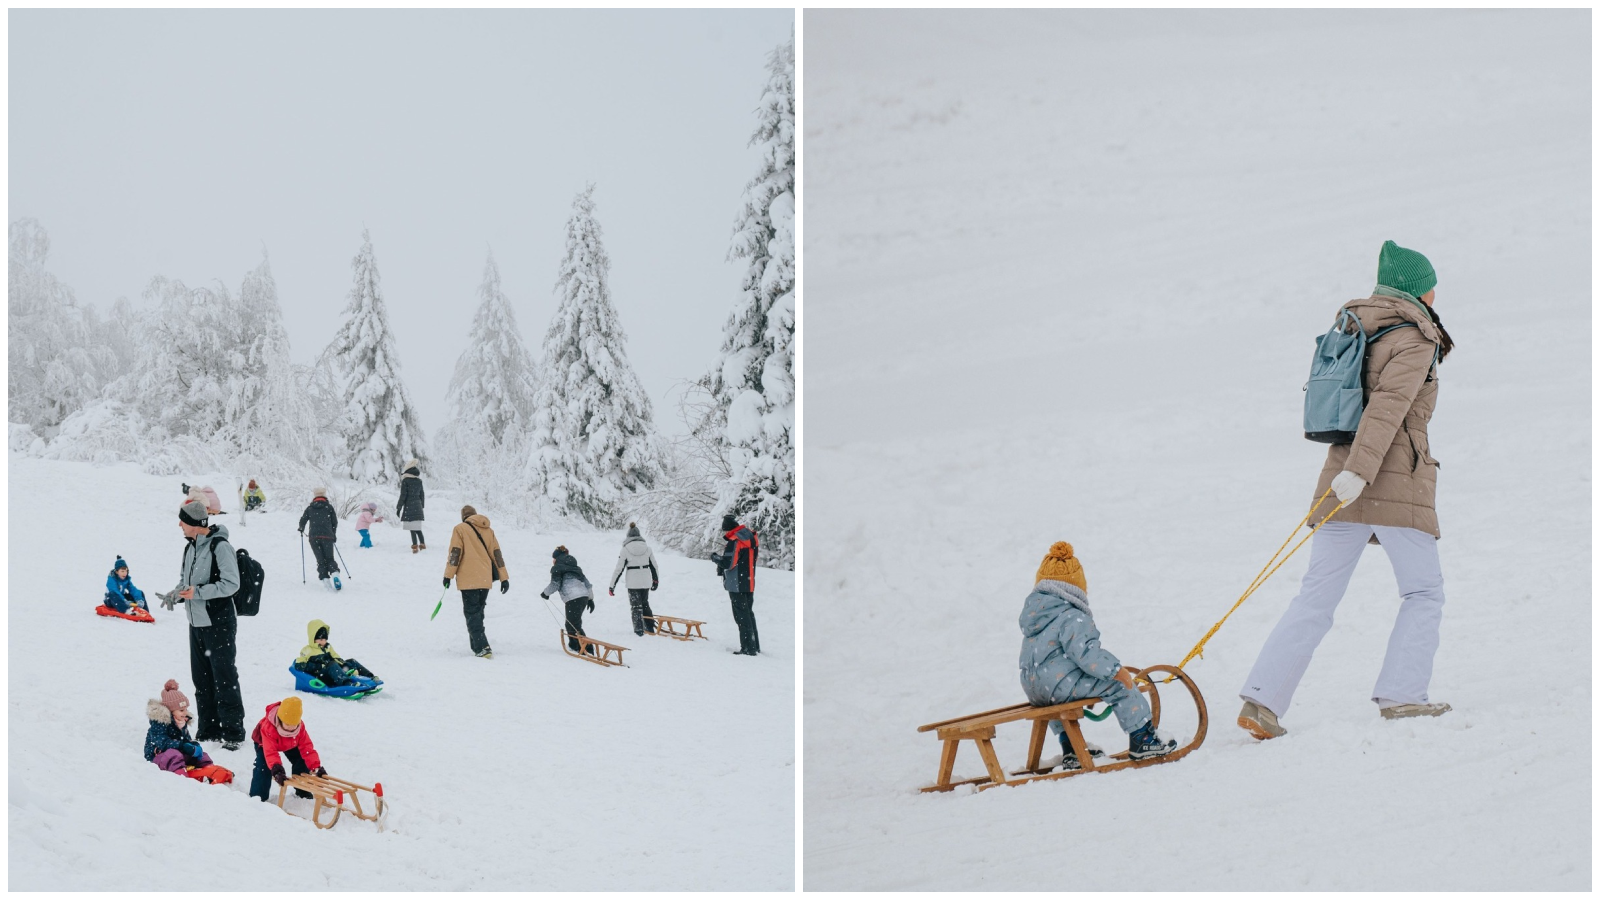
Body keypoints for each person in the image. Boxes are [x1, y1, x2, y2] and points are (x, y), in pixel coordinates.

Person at [1238, 241, 1455, 740]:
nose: (1435, 292)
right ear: (1416, 288)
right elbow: (1387, 410)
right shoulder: (1415, 338)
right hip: (1390, 482)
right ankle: (1403, 695)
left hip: (1340, 482)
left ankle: (1262, 702)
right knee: (1424, 592)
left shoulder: (1356, 329)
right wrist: (1360, 473)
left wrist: (1348, 475)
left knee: (1315, 597)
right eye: (1431, 284)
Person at [1018, 542, 1176, 769]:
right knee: (1120, 687)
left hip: (1035, 689)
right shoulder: (1072, 615)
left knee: (1058, 698)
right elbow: (1087, 655)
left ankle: (1071, 747)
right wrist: (1117, 671)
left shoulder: (1034, 618)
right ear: (1075, 587)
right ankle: (1143, 740)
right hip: (1060, 685)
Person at [161, 500, 245, 750]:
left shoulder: (221, 547)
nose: (179, 525)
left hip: (219, 622)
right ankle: (208, 729)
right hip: (195, 623)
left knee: (224, 677)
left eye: (183, 521)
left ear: (196, 524)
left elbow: (232, 584)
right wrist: (175, 594)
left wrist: (196, 592)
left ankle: (232, 732)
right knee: (202, 678)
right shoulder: (190, 548)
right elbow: (184, 582)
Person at [443, 505, 509, 659]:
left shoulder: (460, 529)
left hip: (468, 579)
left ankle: (482, 647)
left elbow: (455, 553)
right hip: (485, 578)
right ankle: (477, 645)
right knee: (478, 612)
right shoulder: (488, 530)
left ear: (463, 517)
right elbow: (497, 554)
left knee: (472, 613)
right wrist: (504, 578)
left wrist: (448, 575)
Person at [248, 697, 325, 802]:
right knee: (263, 766)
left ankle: (302, 789)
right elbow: (270, 752)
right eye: (287, 724)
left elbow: (307, 749)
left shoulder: (299, 729)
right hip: (265, 743)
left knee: (302, 760)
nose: (290, 728)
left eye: (294, 725)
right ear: (280, 719)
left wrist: (316, 767)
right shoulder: (268, 728)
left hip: (290, 743)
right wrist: (277, 770)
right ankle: (258, 797)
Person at [713, 514, 761, 656]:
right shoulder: (751, 539)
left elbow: (729, 563)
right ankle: (754, 645)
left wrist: (715, 558)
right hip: (749, 581)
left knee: (741, 616)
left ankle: (747, 648)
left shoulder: (735, 541)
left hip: (736, 584)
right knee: (748, 614)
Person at [294, 618, 381, 688]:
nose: (323, 642)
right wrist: (319, 666)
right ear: (313, 638)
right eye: (320, 640)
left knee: (351, 661)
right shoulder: (307, 650)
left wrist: (344, 665)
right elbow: (299, 665)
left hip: (333, 672)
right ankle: (347, 684)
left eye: (325, 639)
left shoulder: (328, 647)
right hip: (321, 677)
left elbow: (336, 657)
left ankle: (370, 677)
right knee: (332, 664)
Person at [609, 522, 660, 636]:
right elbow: (654, 566)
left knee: (635, 606)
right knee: (645, 603)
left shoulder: (625, 549)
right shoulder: (647, 548)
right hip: (645, 580)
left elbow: (619, 569)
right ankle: (650, 628)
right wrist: (655, 580)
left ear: (628, 536)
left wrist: (612, 585)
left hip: (633, 581)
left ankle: (638, 630)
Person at [542, 546, 594, 653]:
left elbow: (555, 584)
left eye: (553, 558)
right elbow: (587, 584)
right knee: (573, 623)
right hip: (583, 596)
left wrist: (545, 593)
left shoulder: (557, 568)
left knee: (573, 624)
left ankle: (583, 647)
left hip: (573, 597)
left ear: (556, 558)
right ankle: (579, 646)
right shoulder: (576, 568)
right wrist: (590, 599)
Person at [297, 488, 341, 591]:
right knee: (330, 558)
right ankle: (335, 574)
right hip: (327, 537)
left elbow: (303, 520)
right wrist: (333, 534)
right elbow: (334, 522)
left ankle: (326, 581)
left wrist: (301, 528)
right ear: (324, 495)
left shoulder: (310, 508)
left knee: (320, 561)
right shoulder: (328, 507)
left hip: (314, 537)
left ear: (315, 496)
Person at [397, 459, 426, 553]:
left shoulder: (406, 481)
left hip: (409, 505)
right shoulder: (419, 481)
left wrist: (399, 507)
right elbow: (422, 494)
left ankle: (415, 547)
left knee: (412, 528)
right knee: (417, 528)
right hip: (417, 505)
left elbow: (403, 495)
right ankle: (422, 544)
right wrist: (421, 506)